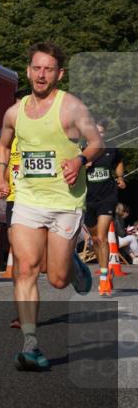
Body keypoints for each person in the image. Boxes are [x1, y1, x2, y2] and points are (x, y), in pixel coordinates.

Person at [0, 42, 103, 372]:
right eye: (36, 68)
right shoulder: (15, 112)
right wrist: (0, 176)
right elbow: (2, 143)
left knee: (56, 278)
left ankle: (72, 266)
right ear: (28, 71)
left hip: (64, 202)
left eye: (48, 69)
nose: (41, 75)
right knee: (25, 268)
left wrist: (80, 159)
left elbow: (96, 141)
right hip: (27, 199)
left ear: (59, 74)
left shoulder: (71, 108)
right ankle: (31, 343)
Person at [84, 120, 126, 295]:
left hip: (108, 198)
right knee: (95, 240)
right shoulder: (81, 152)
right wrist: (82, 166)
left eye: (101, 132)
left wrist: (120, 177)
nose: (98, 135)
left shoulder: (111, 150)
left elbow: (119, 162)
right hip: (88, 200)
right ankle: (105, 271)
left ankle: (103, 280)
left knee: (101, 238)